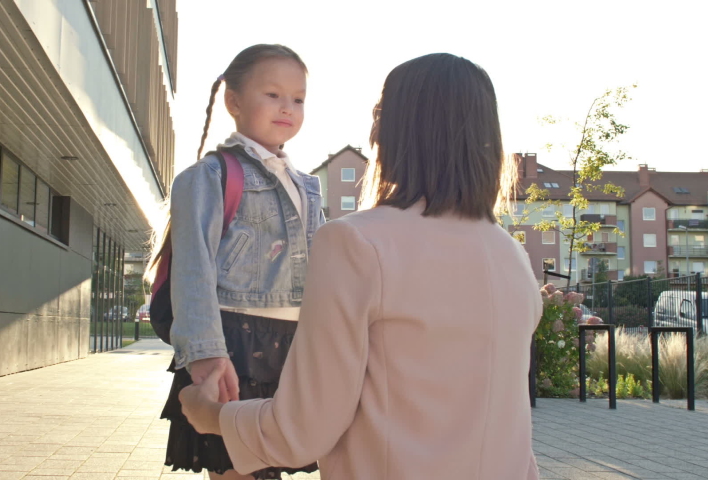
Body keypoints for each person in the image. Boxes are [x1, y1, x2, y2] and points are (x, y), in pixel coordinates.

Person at [178, 53, 542, 480]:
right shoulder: (513, 258)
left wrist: (210, 416)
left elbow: (302, 430)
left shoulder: (356, 243)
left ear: (388, 130)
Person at [152, 44, 324, 479]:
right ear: (233, 100)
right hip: (234, 345)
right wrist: (206, 355)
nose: (287, 107)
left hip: (294, 345)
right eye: (273, 94)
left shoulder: (309, 186)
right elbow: (193, 273)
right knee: (236, 471)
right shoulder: (207, 177)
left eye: (298, 98)